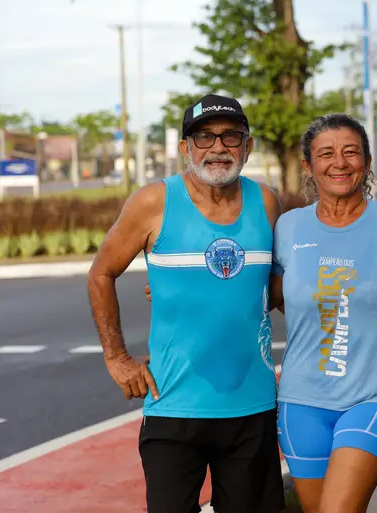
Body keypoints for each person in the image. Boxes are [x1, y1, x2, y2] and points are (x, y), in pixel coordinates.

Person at [87, 93, 286, 513]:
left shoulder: (266, 202)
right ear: (185, 149)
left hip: (251, 408)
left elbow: (270, 292)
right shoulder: (154, 202)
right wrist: (116, 357)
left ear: (247, 146)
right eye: (204, 138)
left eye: (231, 137)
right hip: (175, 407)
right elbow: (101, 273)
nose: (217, 148)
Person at [270, 113, 377, 513]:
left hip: (375, 397)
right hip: (301, 402)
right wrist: (183, 288)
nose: (339, 162)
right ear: (308, 165)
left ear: (366, 161)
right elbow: (263, 296)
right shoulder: (288, 228)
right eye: (326, 153)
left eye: (351, 152)